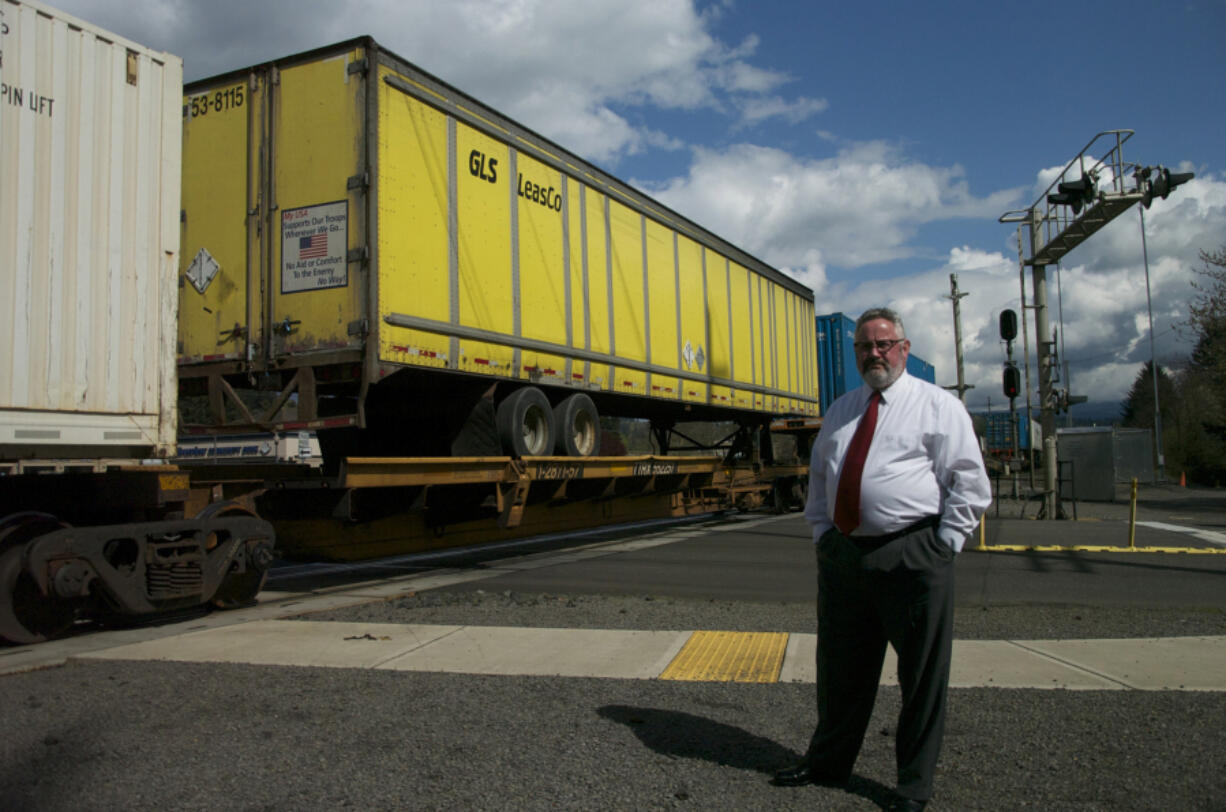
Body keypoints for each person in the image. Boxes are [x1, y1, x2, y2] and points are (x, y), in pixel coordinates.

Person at [773, 307, 991, 811]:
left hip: (913, 555)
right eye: (864, 347)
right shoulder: (843, 408)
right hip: (845, 559)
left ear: (904, 348)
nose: (874, 353)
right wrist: (823, 534)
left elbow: (970, 483)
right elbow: (823, 478)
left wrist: (943, 544)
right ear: (855, 354)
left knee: (920, 678)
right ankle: (828, 763)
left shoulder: (938, 406)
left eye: (884, 344)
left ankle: (912, 788)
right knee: (840, 669)